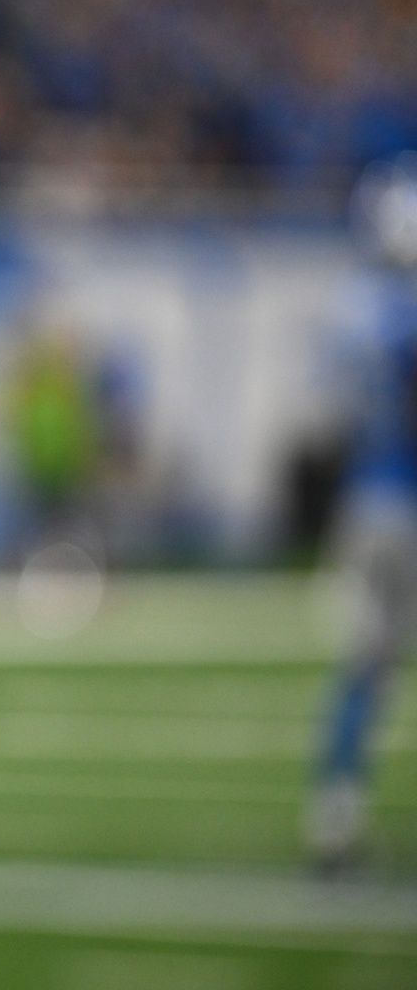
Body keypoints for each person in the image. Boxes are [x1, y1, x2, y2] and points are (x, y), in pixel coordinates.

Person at [307, 157, 417, 875]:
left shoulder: (349, 307)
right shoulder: (404, 315)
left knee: (362, 668)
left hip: (362, 501)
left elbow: (334, 418)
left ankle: (332, 817)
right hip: (406, 498)